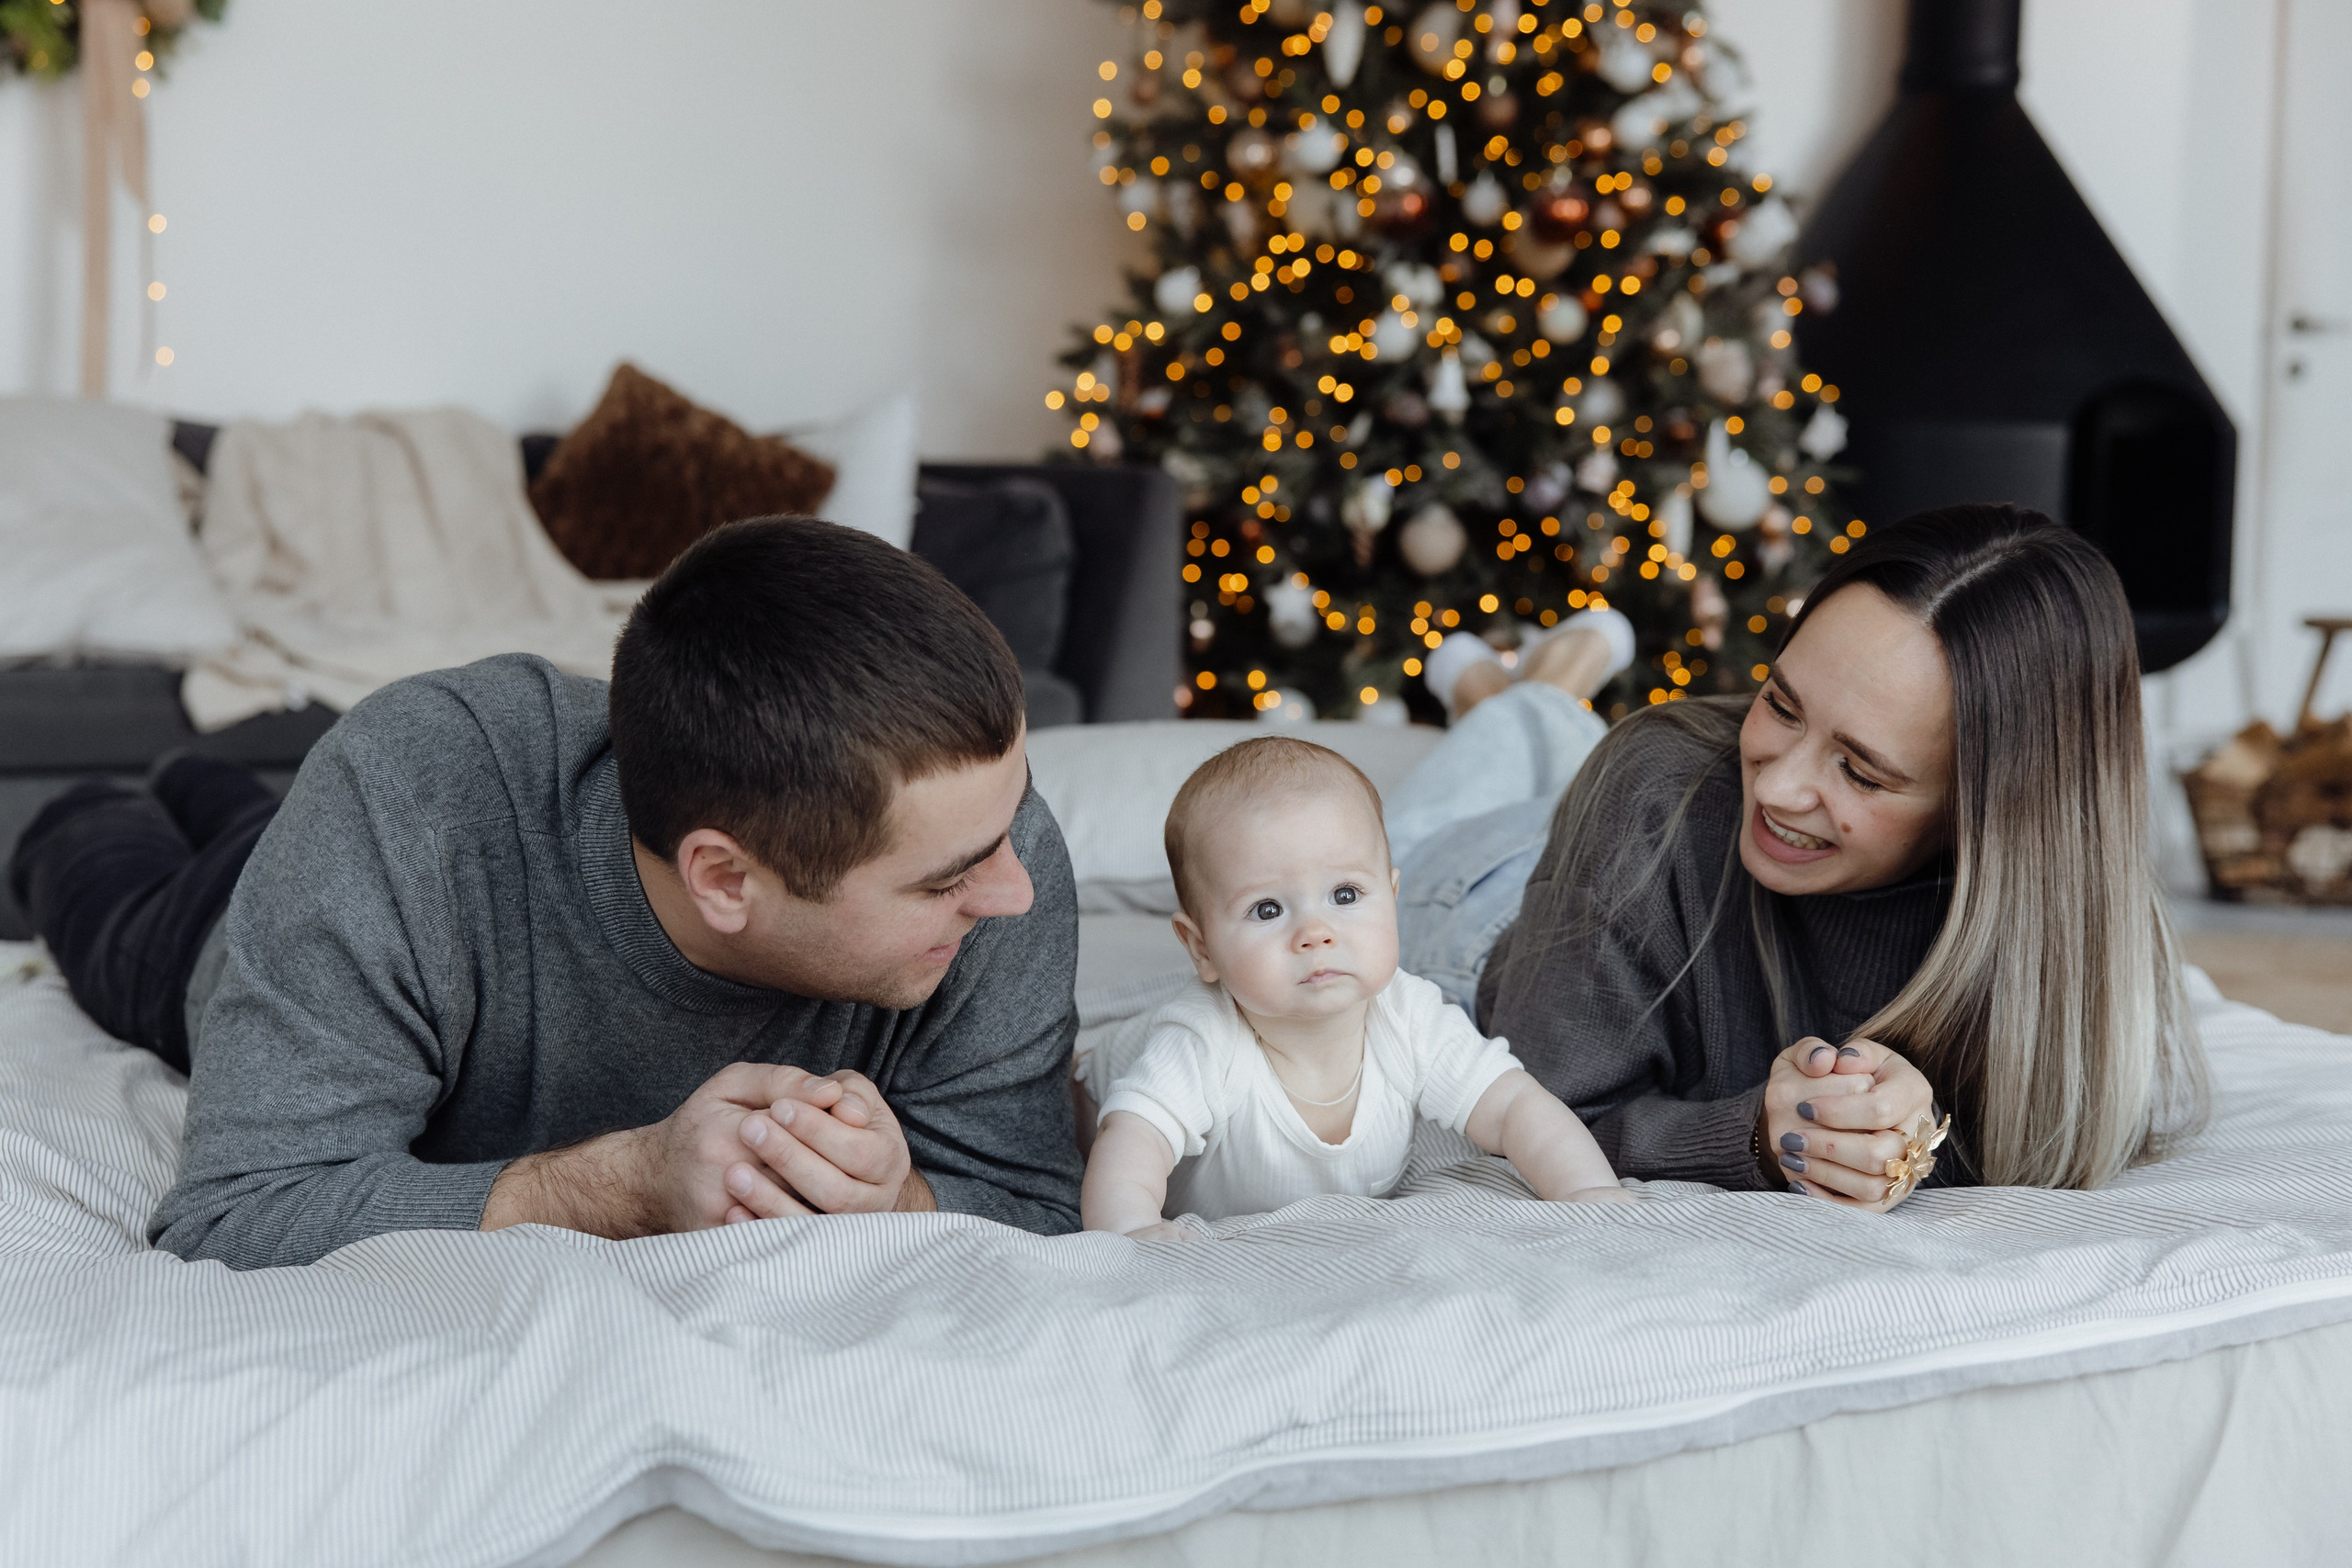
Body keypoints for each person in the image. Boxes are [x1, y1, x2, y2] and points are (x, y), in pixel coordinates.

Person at [6, 517, 1086, 1269]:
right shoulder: (416, 789)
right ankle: (114, 802)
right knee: (100, 857)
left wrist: (897, 1202)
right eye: (949, 880)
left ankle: (215, 789)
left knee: (241, 811)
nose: (1016, 892)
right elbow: (242, 1211)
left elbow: (1032, 1198)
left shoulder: (980, 820)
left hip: (365, 889)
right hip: (215, 933)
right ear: (725, 878)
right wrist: (625, 1185)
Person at [1381, 503, 2208, 1208]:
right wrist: (1758, 1140)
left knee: (1559, 740)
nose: (1779, 788)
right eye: (1779, 702)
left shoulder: (2065, 921)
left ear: (1992, 818)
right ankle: (1532, 688)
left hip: (1621, 850)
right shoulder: (1655, 781)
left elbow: (2045, 1129)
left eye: (1860, 768)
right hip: (1477, 899)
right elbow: (1548, 1106)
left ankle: (1539, 687)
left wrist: (1910, 1137)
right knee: (1495, 754)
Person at [1080, 737, 1626, 1237]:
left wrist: (1586, 1192)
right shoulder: (1201, 1040)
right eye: (1266, 909)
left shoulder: (1409, 1016)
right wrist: (1131, 1232)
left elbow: (1513, 1108)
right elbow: (1135, 1142)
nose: (1316, 934)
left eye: (1345, 895)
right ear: (1200, 948)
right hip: (1088, 1092)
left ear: (1391, 897)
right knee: (1075, 1111)